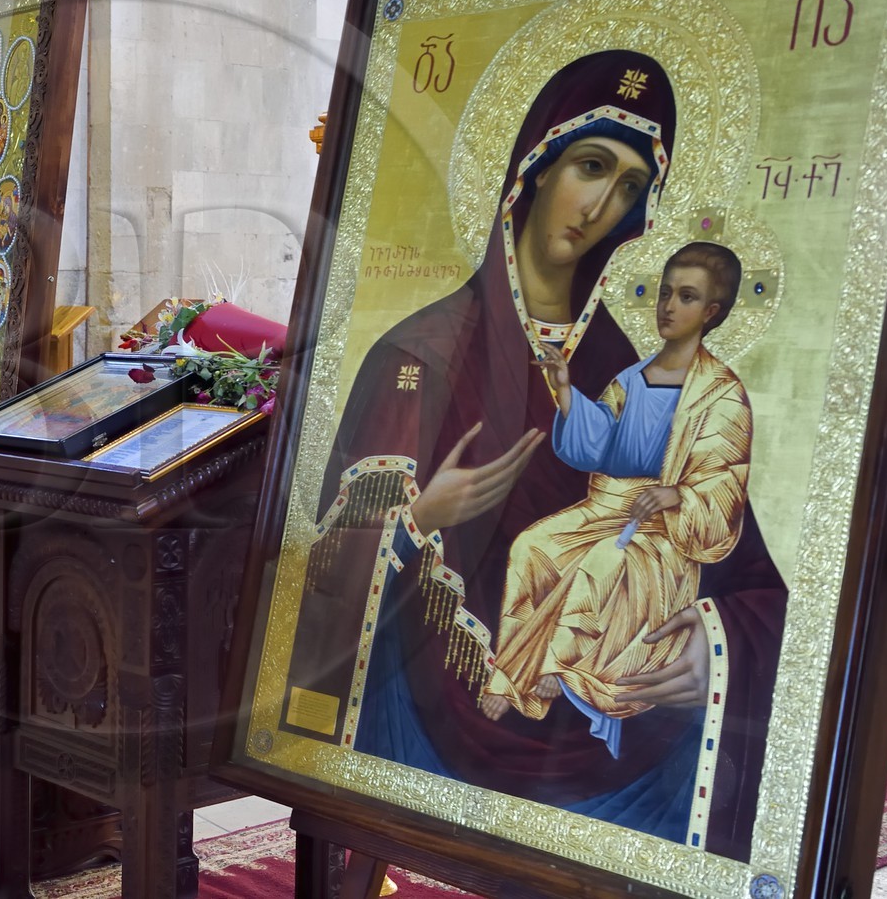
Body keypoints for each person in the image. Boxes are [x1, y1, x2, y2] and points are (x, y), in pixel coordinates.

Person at [283, 50, 785, 859]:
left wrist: (711, 647)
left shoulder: (643, 368)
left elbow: (746, 569)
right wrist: (417, 520)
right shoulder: (421, 354)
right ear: (534, 170)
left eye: (629, 186)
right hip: (431, 721)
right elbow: (316, 585)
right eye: (591, 166)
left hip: (620, 728)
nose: (601, 203)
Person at [480, 243, 752, 752]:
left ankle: (555, 671)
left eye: (687, 297)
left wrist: (676, 495)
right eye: (665, 292)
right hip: (604, 508)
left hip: (661, 535)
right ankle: (507, 667)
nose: (669, 306)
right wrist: (565, 391)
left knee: (602, 564)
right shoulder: (633, 377)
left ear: (711, 312)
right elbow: (599, 441)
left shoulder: (721, 394)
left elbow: (724, 486)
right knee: (532, 547)